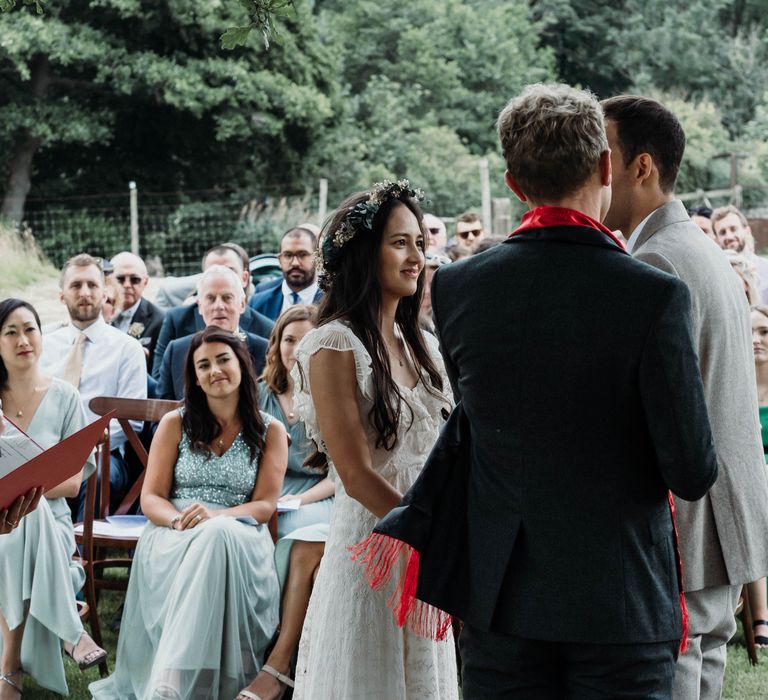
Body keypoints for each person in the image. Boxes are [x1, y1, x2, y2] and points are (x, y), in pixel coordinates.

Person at [429, 84, 718, 699]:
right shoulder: (653, 295)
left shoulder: (455, 289)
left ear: (512, 183)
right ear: (605, 167)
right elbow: (691, 470)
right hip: (619, 600)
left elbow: (483, 425)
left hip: (501, 598)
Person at [602, 94, 768, 699]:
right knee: (704, 661)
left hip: (690, 512)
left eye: (605, 156)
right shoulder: (697, 251)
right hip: (726, 505)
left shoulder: (655, 259)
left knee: (678, 666)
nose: (596, 173)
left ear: (640, 167)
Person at [288, 180, 457, 699]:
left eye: (420, 244)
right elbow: (357, 474)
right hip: (372, 543)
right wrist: (430, 534)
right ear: (364, 253)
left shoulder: (421, 342)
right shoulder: (332, 344)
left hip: (426, 538)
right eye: (399, 242)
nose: (415, 257)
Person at [90, 327, 287, 700]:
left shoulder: (270, 430)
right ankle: (175, 677)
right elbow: (152, 499)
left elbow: (264, 506)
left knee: (218, 536)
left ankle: (172, 678)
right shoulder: (175, 423)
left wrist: (218, 517)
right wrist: (179, 522)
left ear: (242, 364)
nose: (215, 370)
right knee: (208, 540)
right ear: (194, 378)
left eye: (223, 359)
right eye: (203, 365)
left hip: (240, 533)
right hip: (175, 532)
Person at [0, 299, 107, 698]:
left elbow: (73, 482)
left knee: (34, 508)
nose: (23, 339)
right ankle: (70, 630)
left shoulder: (65, 397)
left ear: (42, 336)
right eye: (11, 332)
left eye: (30, 329)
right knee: (17, 526)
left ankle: (10, 668)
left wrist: (25, 487)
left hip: (51, 523)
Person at [237, 305, 334, 700]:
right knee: (257, 531)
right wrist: (269, 496)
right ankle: (265, 653)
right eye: (288, 339)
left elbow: (339, 473)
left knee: (299, 533)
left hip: (321, 493)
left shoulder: (333, 389)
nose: (296, 348)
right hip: (268, 491)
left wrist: (300, 497)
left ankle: (281, 659)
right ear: (276, 345)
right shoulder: (258, 394)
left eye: (306, 339)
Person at [39, 254, 147, 520]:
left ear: (105, 293)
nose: (85, 292)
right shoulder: (44, 345)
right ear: (62, 296)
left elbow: (132, 423)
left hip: (105, 456)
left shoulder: (127, 349)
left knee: (92, 471)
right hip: (45, 450)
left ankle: (79, 555)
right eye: (76, 286)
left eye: (92, 285)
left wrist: (78, 449)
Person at [152, 243, 274, 379]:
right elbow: (162, 385)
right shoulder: (177, 326)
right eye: (212, 271)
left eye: (230, 271)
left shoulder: (265, 334)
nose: (219, 306)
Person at [157, 265, 269, 401]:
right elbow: (161, 414)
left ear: (242, 304)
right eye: (210, 298)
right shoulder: (176, 351)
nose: (219, 306)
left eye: (227, 298)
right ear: (199, 306)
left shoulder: (264, 350)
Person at [747, 304, 768, 648]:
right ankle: (761, 620)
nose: (756, 340)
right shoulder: (734, 384)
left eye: (764, 332)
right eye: (749, 332)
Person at [248, 228, 323, 321]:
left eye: (303, 255)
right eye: (288, 255)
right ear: (280, 259)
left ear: (317, 258)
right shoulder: (258, 303)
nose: (295, 263)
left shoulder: (333, 303)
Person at [110, 251, 166, 370]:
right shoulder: (98, 315)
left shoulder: (160, 320)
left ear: (145, 282)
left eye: (134, 280)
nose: (127, 285)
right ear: (109, 280)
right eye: (120, 279)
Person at [711, 204, 768, 303]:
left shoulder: (766, 268)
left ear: (747, 231)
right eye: (722, 232)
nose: (729, 236)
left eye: (733, 229)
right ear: (716, 240)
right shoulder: (716, 277)